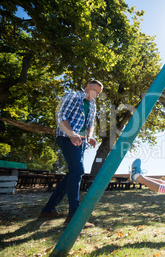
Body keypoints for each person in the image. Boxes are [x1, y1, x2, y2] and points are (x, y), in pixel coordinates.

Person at [38, 80, 103, 228]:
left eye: (99, 93)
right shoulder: (72, 96)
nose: (96, 94)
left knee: (72, 174)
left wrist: (89, 136)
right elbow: (62, 117)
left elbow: (90, 124)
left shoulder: (93, 105)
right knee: (78, 171)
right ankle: (74, 216)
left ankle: (48, 210)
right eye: (94, 90)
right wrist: (71, 133)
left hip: (81, 142)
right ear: (87, 87)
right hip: (66, 137)